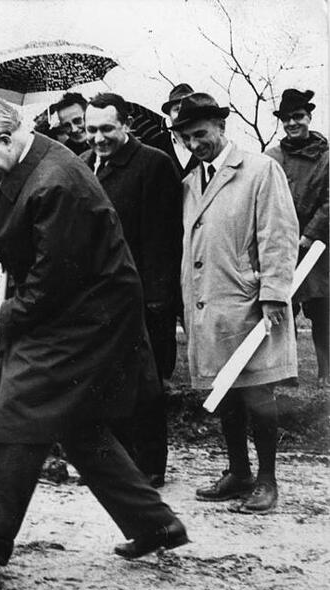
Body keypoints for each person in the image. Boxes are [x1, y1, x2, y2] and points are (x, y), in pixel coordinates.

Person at [0, 95, 187, 566]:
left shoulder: (57, 182)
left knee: (26, 395)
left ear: (5, 138)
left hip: (89, 317)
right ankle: (155, 524)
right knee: (78, 427)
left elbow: (56, 281)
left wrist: (8, 311)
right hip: (69, 307)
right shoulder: (29, 168)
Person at [174, 93, 298, 514]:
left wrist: (274, 294)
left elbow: (278, 233)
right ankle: (238, 472)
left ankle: (267, 481)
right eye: (186, 138)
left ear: (220, 128)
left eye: (200, 134)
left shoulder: (261, 169)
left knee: (258, 394)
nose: (194, 145)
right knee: (225, 392)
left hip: (251, 303)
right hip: (210, 304)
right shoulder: (190, 183)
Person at [81, 92, 183, 486]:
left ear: (126, 125)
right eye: (91, 129)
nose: (98, 136)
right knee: (108, 380)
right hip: (99, 295)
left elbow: (164, 237)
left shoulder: (153, 165)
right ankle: (119, 462)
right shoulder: (86, 164)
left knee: (145, 384)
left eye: (107, 128)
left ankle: (150, 465)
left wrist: (158, 299)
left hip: (142, 296)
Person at [266, 88, 329, 387]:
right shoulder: (272, 157)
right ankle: (285, 373)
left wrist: (310, 234)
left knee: (323, 311)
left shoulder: (327, 157)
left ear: (309, 117)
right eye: (286, 118)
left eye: (298, 116)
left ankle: (326, 373)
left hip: (319, 249)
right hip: (283, 246)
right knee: (283, 310)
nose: (292, 123)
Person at [148, 83, 200, 178]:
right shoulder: (155, 145)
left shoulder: (206, 143)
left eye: (188, 108)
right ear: (169, 114)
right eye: (177, 109)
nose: (182, 114)